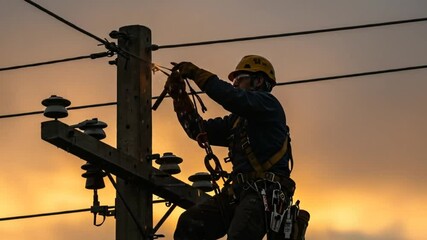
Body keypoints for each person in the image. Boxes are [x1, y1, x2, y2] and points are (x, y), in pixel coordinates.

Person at [166, 55, 296, 240]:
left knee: (239, 235)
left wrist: (196, 73)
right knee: (190, 224)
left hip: (263, 195)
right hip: (238, 193)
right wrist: (179, 96)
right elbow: (198, 130)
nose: (234, 84)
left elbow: (231, 97)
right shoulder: (237, 122)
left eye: (239, 79)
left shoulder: (269, 105)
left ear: (258, 81)